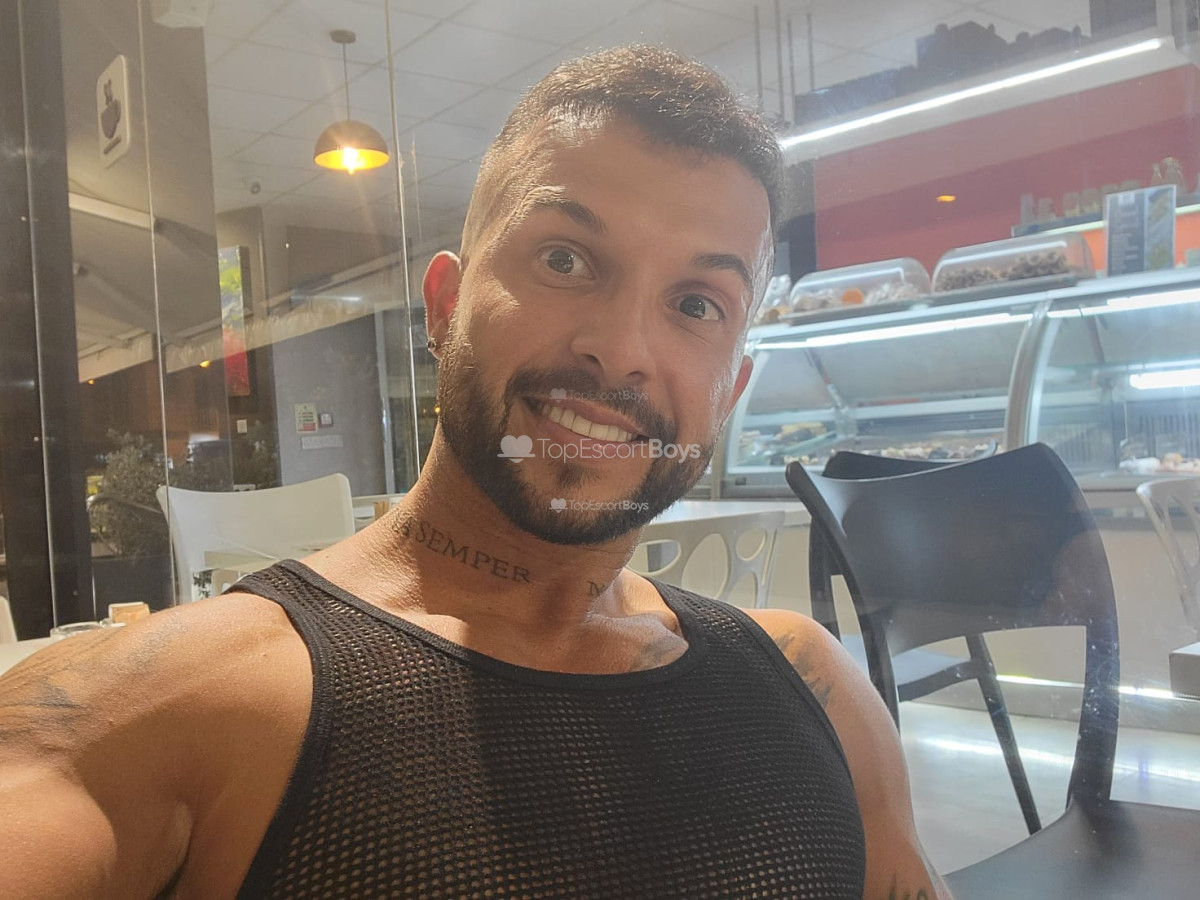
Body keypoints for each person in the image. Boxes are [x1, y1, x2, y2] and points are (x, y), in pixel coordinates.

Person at [0, 46, 950, 900]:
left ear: (731, 389)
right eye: (566, 259)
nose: (622, 351)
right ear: (446, 305)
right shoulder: (179, 709)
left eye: (697, 304)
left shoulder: (812, 686)